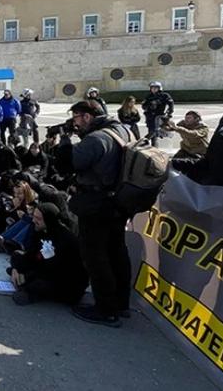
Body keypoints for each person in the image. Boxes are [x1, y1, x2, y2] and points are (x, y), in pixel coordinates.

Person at [57, 100, 132, 327]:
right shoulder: (122, 130)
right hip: (118, 200)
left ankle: (105, 309)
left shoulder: (96, 139)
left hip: (97, 204)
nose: (75, 122)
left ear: (87, 117)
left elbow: (67, 165)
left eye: (77, 117)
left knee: (95, 256)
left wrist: (64, 140)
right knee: (117, 251)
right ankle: (121, 303)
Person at [9, 202, 88, 307]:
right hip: (45, 268)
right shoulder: (40, 230)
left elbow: (54, 270)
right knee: (17, 256)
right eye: (34, 217)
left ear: (49, 220)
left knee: (38, 284)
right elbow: (31, 254)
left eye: (38, 218)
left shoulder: (64, 238)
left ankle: (29, 288)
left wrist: (27, 276)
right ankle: (23, 281)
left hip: (64, 280)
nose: (33, 220)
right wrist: (16, 269)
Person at [142, 81, 174, 147]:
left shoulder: (164, 95)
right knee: (152, 131)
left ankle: (145, 140)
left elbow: (171, 103)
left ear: (159, 88)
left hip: (159, 116)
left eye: (155, 88)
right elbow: (143, 106)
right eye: (152, 88)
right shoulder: (148, 96)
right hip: (150, 117)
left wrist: (169, 112)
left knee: (155, 131)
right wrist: (149, 105)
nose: (153, 89)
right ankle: (153, 146)